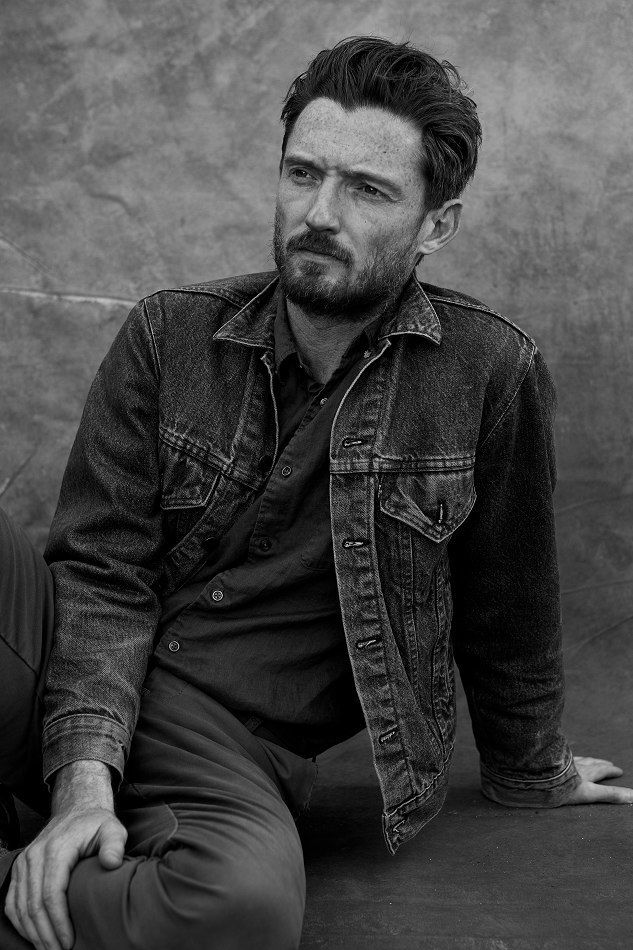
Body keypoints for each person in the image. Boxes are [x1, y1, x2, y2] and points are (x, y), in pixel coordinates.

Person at [1, 35, 631, 950]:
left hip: (223, 743)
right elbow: (101, 571)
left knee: (241, 912)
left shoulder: (488, 371)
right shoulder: (170, 333)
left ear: (435, 225)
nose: (319, 213)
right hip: (67, 660)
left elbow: (510, 603)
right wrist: (84, 782)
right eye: (303, 174)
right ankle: (57, 820)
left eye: (368, 190)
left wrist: (532, 768)